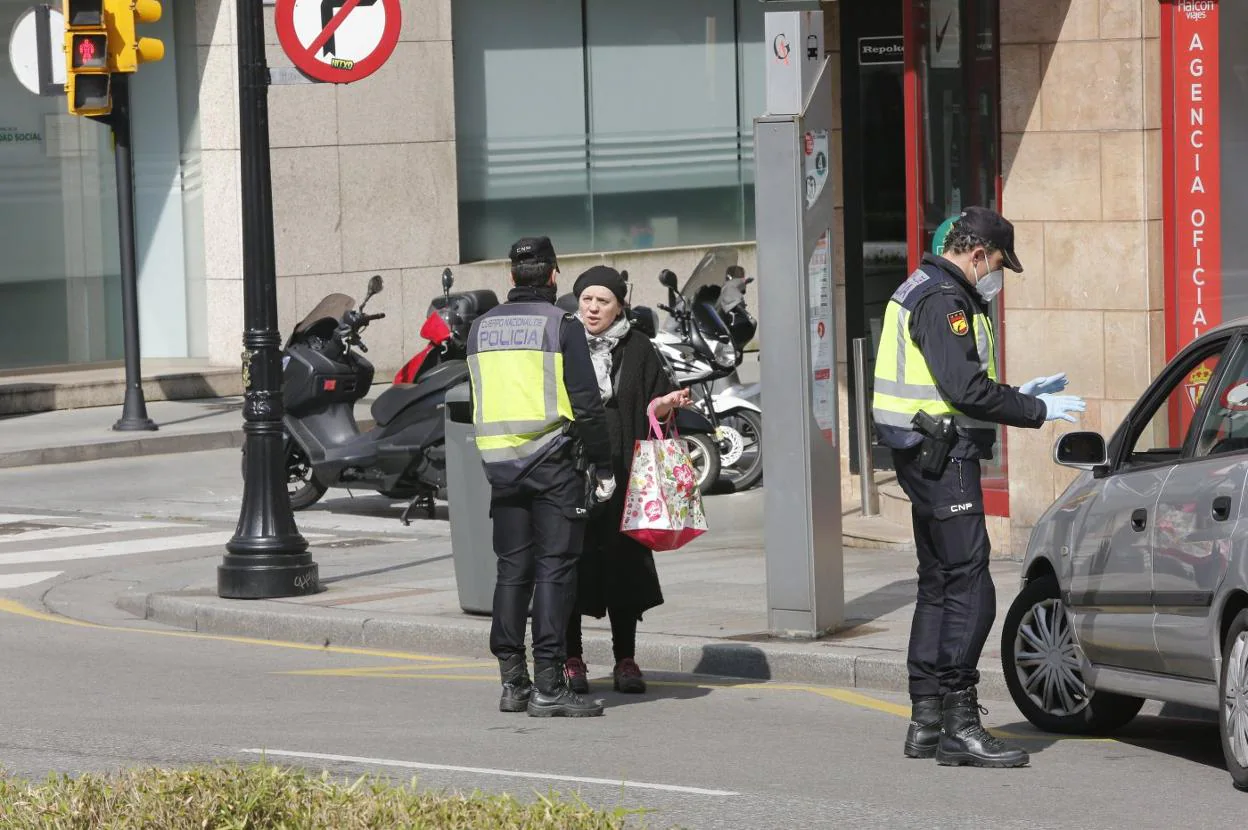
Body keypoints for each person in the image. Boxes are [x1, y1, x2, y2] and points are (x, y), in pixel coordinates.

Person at [871, 207, 1086, 768]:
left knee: (939, 583)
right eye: (997, 264)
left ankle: (926, 719)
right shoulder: (945, 300)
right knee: (971, 587)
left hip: (922, 452)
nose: (997, 275)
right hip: (945, 458)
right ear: (975, 254)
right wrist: (1035, 408)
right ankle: (960, 723)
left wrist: (1013, 390)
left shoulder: (921, 286)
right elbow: (964, 390)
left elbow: (951, 382)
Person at [467, 236, 615, 718]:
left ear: (511, 277)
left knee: (512, 572)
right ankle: (549, 684)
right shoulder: (562, 326)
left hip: (501, 467)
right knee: (555, 569)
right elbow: (588, 405)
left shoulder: (480, 328)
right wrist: (605, 465)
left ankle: (513, 682)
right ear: (554, 275)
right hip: (554, 463)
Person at [560, 266, 691, 695]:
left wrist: (667, 405)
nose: (593, 308)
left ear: (619, 306)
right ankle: (572, 658)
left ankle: (626, 659)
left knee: (624, 567)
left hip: (627, 475)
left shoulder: (638, 347)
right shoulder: (565, 340)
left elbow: (654, 405)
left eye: (603, 301)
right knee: (572, 565)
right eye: (587, 299)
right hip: (575, 472)